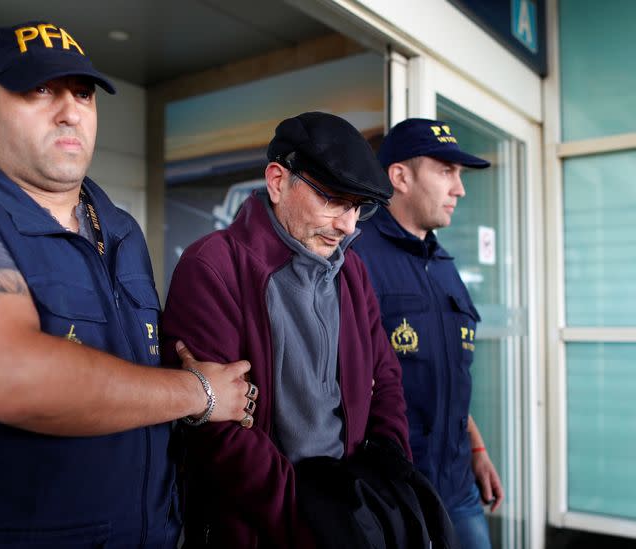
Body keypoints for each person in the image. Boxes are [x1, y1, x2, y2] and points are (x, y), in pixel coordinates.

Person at [0, 21, 253, 548]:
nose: (69, 111)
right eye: (39, 90)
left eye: (82, 94)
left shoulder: (119, 229)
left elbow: (132, 373)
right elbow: (12, 377)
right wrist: (198, 393)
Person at [161, 112, 411, 548]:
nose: (348, 226)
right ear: (278, 181)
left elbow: (385, 378)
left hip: (348, 514)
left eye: (357, 207)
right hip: (260, 530)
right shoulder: (212, 268)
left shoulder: (351, 271)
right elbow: (216, 434)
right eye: (333, 200)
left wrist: (385, 475)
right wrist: (311, 521)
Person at [352, 117, 505, 549]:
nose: (460, 189)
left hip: (458, 489)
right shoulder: (355, 258)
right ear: (400, 176)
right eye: (446, 171)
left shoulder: (443, 265)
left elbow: (449, 372)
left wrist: (477, 450)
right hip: (394, 495)